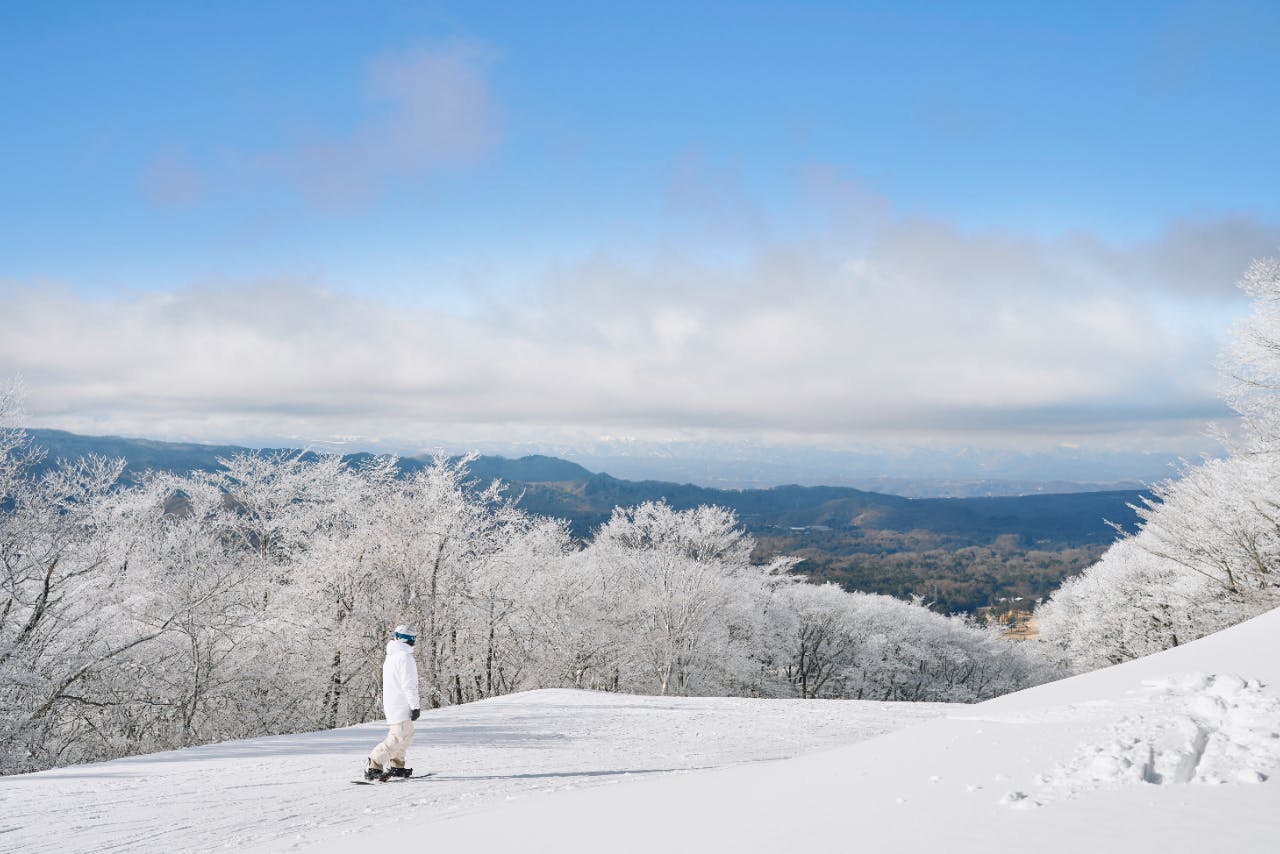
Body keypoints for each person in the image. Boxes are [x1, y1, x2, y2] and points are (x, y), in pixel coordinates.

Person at [365, 624, 421, 781]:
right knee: (397, 737)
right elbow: (409, 685)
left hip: (395, 703)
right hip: (400, 704)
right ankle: (374, 763)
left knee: (407, 735)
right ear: (409, 640)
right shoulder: (404, 657)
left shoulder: (393, 656)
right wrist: (415, 706)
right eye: (413, 639)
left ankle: (397, 765)